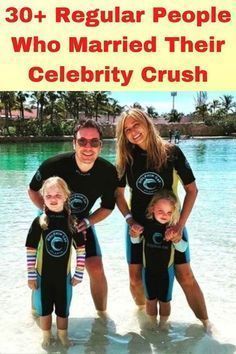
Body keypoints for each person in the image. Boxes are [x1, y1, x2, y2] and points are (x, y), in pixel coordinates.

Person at [115, 108, 211, 332]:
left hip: (171, 226)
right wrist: (130, 221)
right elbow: (118, 195)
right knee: (135, 277)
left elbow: (192, 190)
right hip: (137, 228)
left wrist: (179, 225)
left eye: (135, 125)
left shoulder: (172, 153)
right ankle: (144, 320)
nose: (132, 132)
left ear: (147, 123)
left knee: (185, 275)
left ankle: (207, 326)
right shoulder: (126, 159)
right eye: (127, 129)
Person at [28, 119, 118, 315]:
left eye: (94, 142)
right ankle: (36, 315)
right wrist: (49, 213)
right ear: (74, 143)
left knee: (95, 267)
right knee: (45, 268)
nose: (88, 147)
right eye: (82, 141)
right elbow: (33, 190)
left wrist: (87, 222)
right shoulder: (53, 165)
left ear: (100, 146)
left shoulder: (108, 172)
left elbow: (108, 207)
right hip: (50, 219)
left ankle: (102, 318)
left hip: (81, 222)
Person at [26, 177, 86, 348]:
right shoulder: (40, 223)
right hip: (42, 277)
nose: (53, 199)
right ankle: (46, 336)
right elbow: (30, 250)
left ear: (66, 196)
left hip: (64, 278)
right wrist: (31, 276)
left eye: (58, 195)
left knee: (63, 309)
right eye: (49, 196)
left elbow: (80, 249)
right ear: (43, 198)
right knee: (45, 310)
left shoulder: (72, 222)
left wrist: (79, 274)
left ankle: (62, 336)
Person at [130, 189, 187, 329]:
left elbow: (183, 248)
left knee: (165, 301)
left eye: (168, 212)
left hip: (166, 273)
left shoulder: (173, 229)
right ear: (152, 208)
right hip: (148, 270)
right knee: (150, 300)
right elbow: (135, 242)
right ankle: (152, 324)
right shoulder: (146, 226)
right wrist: (134, 234)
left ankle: (163, 325)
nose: (164, 215)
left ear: (173, 213)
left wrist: (177, 239)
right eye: (160, 211)